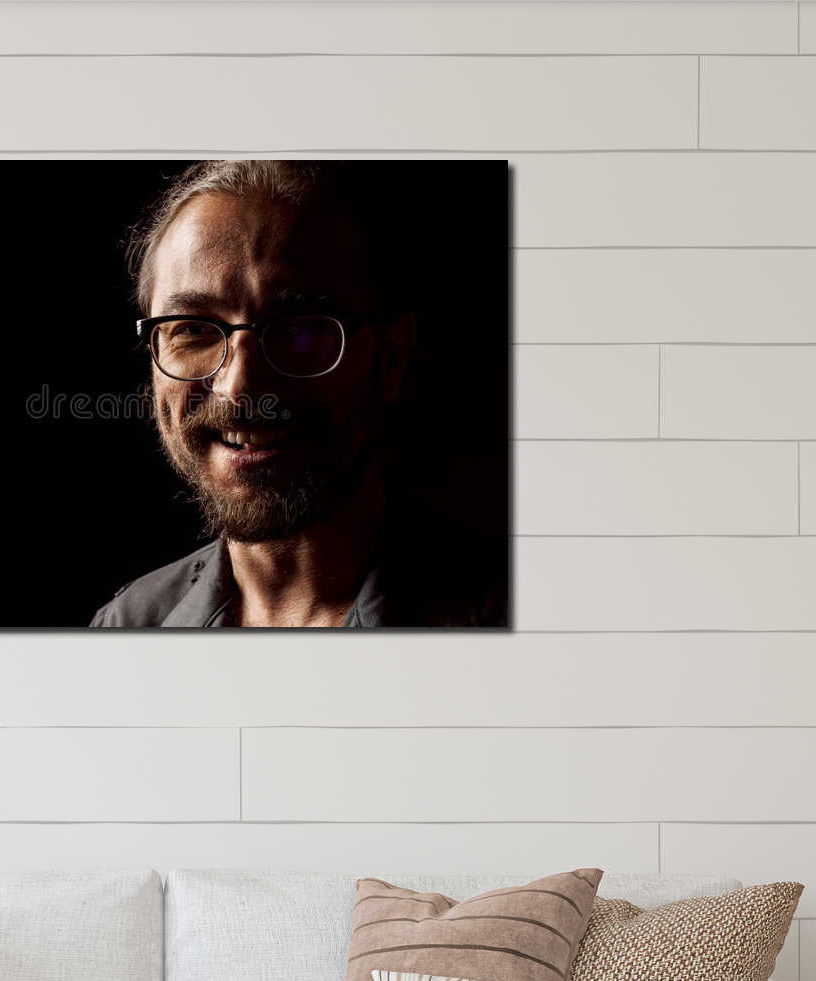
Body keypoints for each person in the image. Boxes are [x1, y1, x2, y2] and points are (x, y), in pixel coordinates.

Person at [91, 160, 506, 629]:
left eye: (299, 330)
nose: (238, 385)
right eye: (192, 329)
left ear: (391, 357)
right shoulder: (127, 627)